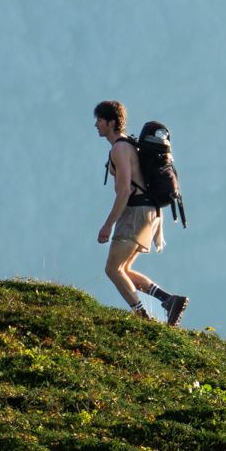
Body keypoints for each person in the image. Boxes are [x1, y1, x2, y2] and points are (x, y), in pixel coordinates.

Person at [93, 98, 187, 325]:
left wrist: (108, 225)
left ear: (111, 122)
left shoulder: (120, 149)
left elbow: (125, 190)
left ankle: (142, 317)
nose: (96, 124)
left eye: (100, 120)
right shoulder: (131, 145)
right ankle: (169, 300)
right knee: (124, 268)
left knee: (112, 269)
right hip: (149, 212)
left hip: (135, 213)